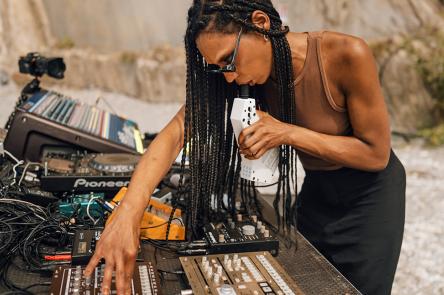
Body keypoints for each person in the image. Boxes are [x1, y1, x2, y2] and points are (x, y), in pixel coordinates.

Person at [85, 1, 406, 294]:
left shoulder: (347, 53)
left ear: (261, 23)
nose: (227, 77)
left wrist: (287, 133)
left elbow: (375, 153)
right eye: (217, 67)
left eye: (229, 59)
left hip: (371, 199)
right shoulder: (241, 76)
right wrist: (127, 213)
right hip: (318, 190)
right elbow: (176, 133)